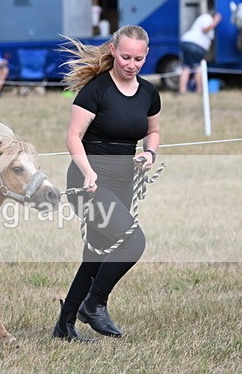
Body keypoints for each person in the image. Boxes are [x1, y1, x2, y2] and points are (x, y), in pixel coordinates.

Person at [52, 25, 161, 342]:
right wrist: (87, 171)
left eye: (138, 59)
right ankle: (94, 304)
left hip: (123, 182)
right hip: (88, 183)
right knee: (133, 241)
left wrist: (149, 154)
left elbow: (153, 131)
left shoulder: (148, 93)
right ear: (113, 50)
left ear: (146, 56)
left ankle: (64, 326)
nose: (131, 64)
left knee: (96, 254)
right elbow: (73, 137)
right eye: (125, 57)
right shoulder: (96, 90)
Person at [178, 11, 222, 94]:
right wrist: (215, 22)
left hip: (187, 42)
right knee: (198, 67)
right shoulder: (207, 18)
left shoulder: (203, 18)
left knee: (186, 67)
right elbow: (205, 29)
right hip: (195, 45)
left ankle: (182, 90)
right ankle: (198, 90)